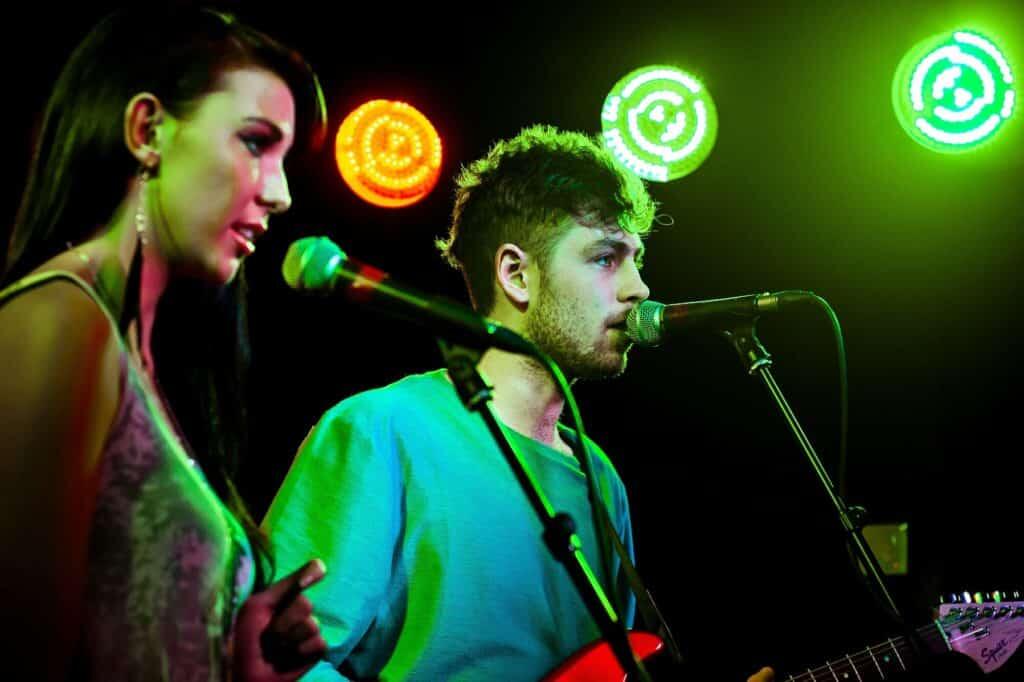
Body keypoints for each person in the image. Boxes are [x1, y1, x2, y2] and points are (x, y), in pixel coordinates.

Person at [263, 125, 774, 681]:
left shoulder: (599, 479)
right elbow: (273, 663)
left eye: (637, 259)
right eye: (605, 258)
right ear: (516, 274)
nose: (639, 288)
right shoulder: (381, 429)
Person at [1, 7, 331, 680]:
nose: (282, 193)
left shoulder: (145, 360)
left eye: (284, 157)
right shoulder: (60, 319)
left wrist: (233, 658)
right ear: (148, 130)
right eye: (254, 142)